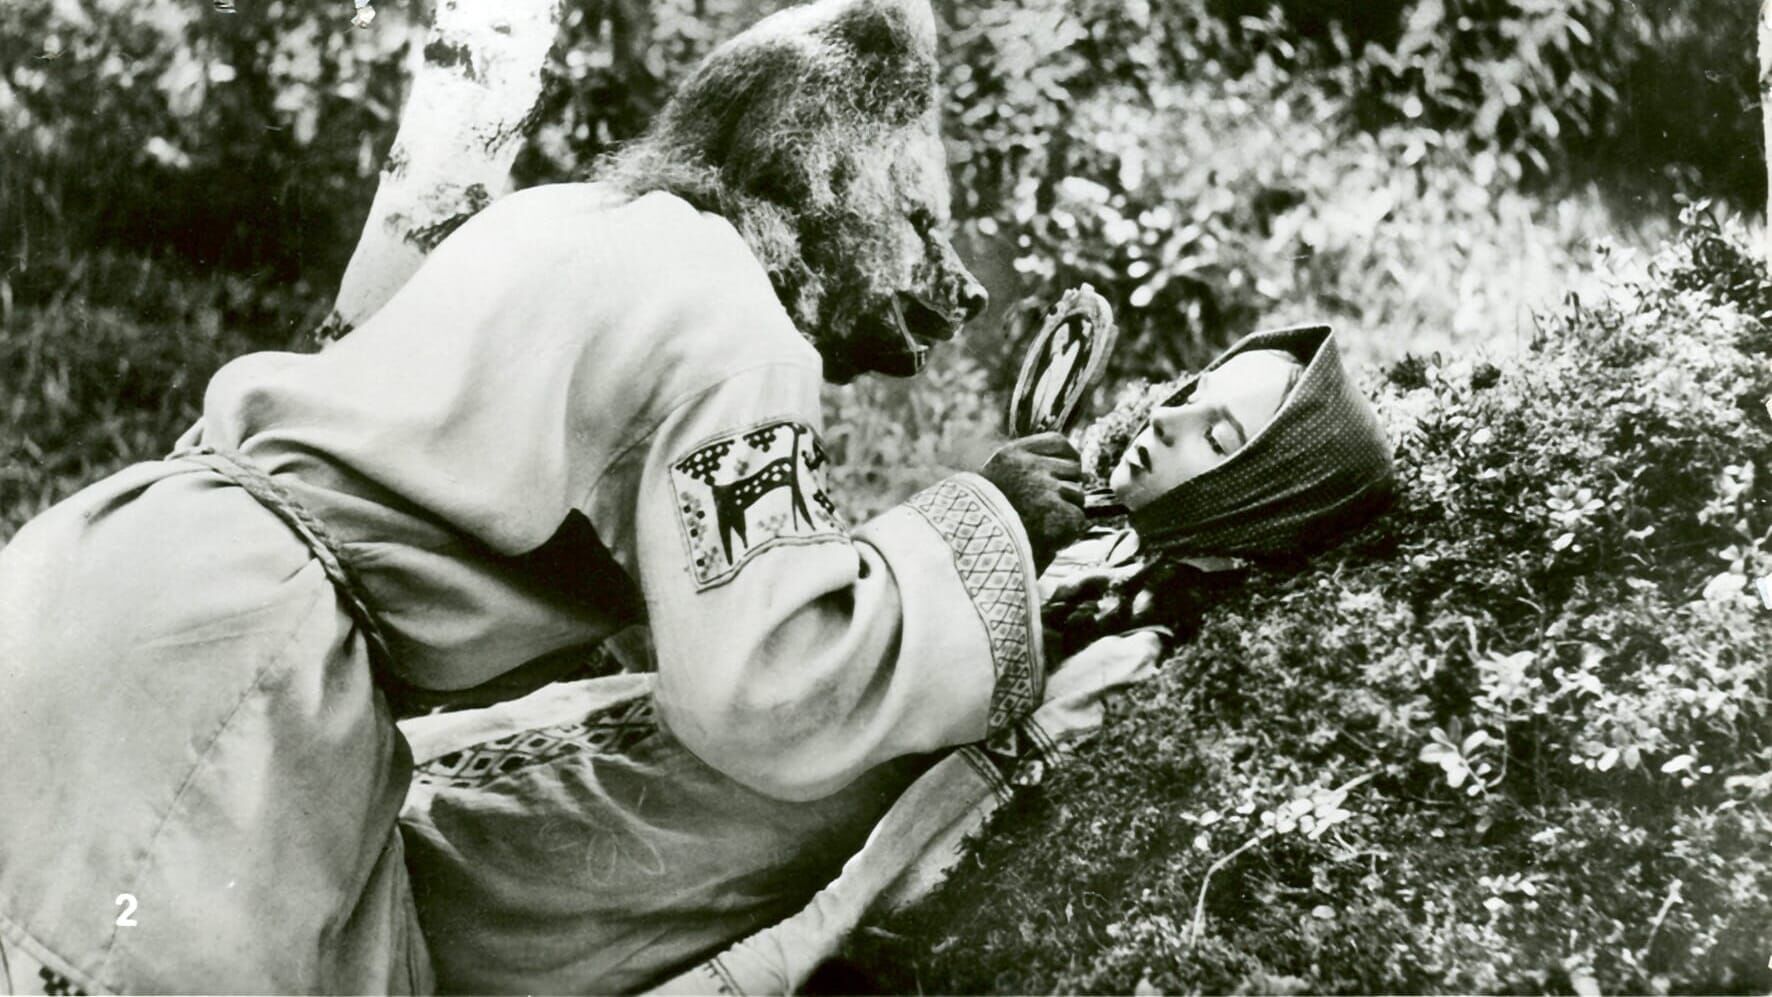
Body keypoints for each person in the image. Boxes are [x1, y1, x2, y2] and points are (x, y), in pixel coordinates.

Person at [0, 2, 1087, 993]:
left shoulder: (564, 219)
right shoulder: (742, 327)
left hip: (101, 578)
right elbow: (761, 682)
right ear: (836, 182)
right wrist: (978, 528)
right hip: (238, 679)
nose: (951, 275)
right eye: (922, 222)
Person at [394, 322, 1397, 994]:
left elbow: (924, 844)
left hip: (722, 844)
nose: (1166, 416)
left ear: (1252, 509)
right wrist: (1002, 517)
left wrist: (760, 969)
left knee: (424, 905)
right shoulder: (1090, 545)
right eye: (1190, 390)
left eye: (1214, 432)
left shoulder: (1124, 661)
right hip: (688, 745)